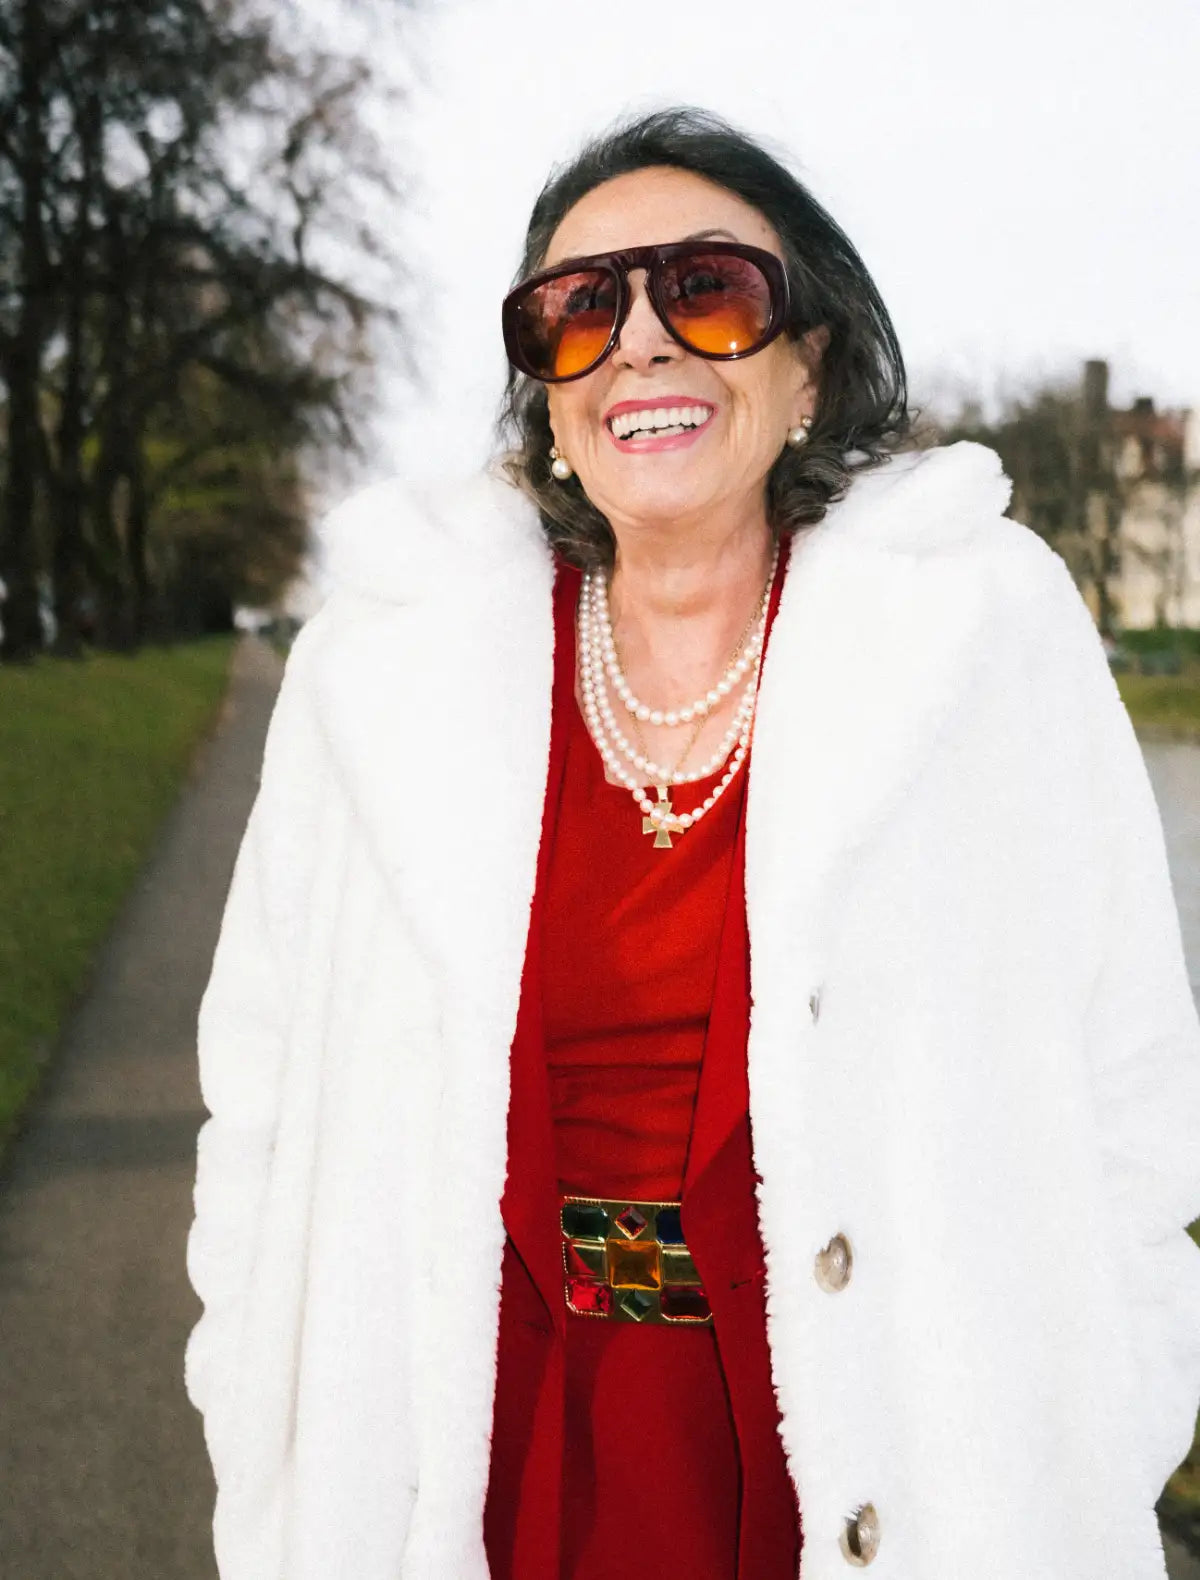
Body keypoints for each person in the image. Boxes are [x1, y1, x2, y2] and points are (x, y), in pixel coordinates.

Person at [184, 107, 1200, 1580]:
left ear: (811, 366)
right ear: (545, 395)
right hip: (479, 1456)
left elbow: (1136, 1084)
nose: (643, 343)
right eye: (579, 310)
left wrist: (1112, 1425)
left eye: (710, 291)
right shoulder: (382, 675)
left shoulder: (983, 635)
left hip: (896, 1462)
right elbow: (259, 1095)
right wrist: (254, 1415)